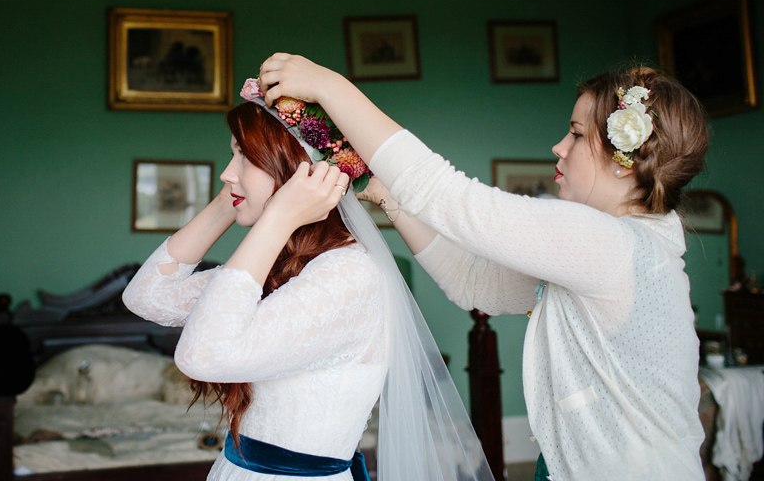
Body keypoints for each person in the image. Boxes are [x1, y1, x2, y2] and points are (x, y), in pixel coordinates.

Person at [257, 53, 710, 481]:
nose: (559, 146)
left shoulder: (610, 244)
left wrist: (329, 85)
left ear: (623, 162)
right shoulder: (620, 245)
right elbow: (474, 284)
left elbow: (448, 194)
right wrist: (391, 199)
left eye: (574, 133)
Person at [123, 89, 495, 481]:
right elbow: (146, 297)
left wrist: (279, 214)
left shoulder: (348, 274)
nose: (227, 172)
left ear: (300, 172)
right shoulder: (287, 266)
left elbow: (202, 356)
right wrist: (225, 201)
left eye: (244, 158)